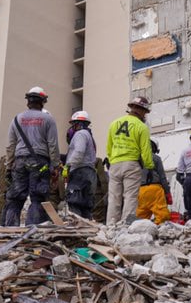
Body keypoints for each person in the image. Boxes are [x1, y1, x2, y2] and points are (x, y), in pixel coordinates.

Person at [3, 86, 60, 226]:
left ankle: (9, 231)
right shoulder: (48, 120)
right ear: (43, 102)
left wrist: (9, 167)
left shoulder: (16, 119)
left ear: (28, 101)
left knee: (14, 198)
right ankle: (31, 232)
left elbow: (10, 146)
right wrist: (55, 166)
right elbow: (53, 145)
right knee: (38, 198)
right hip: (40, 164)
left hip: (19, 162)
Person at [105, 96, 155, 224]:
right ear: (142, 110)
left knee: (114, 198)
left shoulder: (114, 123)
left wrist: (112, 160)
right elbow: (145, 150)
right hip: (131, 165)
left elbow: (109, 147)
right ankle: (126, 225)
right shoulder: (141, 127)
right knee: (130, 197)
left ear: (132, 108)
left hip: (115, 164)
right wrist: (149, 167)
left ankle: (111, 225)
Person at [63, 110, 97, 219]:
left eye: (73, 124)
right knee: (86, 206)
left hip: (79, 172)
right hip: (89, 173)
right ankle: (86, 229)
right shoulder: (89, 137)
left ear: (79, 124)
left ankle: (76, 229)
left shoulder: (80, 134)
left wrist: (68, 166)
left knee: (75, 202)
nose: (72, 128)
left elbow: (79, 152)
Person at [137, 140, 171, 224]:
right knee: (162, 216)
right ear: (155, 148)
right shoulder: (156, 158)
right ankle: (158, 229)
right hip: (155, 190)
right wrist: (167, 193)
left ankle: (141, 232)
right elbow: (162, 177)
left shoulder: (137, 159)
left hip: (140, 191)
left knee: (141, 216)